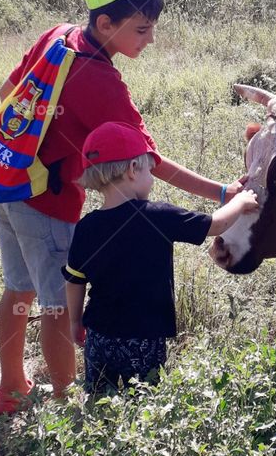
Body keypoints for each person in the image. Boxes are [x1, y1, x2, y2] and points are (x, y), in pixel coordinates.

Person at [0, 0, 243, 414]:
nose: (150, 39)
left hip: (5, 174)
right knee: (56, 306)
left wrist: (46, 136)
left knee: (18, 288)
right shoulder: (101, 81)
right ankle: (68, 408)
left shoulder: (59, 35)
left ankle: (10, 389)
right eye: (141, 29)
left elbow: (10, 89)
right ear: (106, 22)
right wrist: (223, 194)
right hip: (44, 199)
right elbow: (151, 161)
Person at [62, 123, 258, 395]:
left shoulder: (86, 227)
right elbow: (215, 224)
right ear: (132, 170)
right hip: (145, 337)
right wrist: (240, 201)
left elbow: (74, 280)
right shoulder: (158, 216)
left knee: (98, 400)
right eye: (149, 171)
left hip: (99, 336)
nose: (152, 179)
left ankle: (101, 434)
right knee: (146, 403)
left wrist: (74, 321)